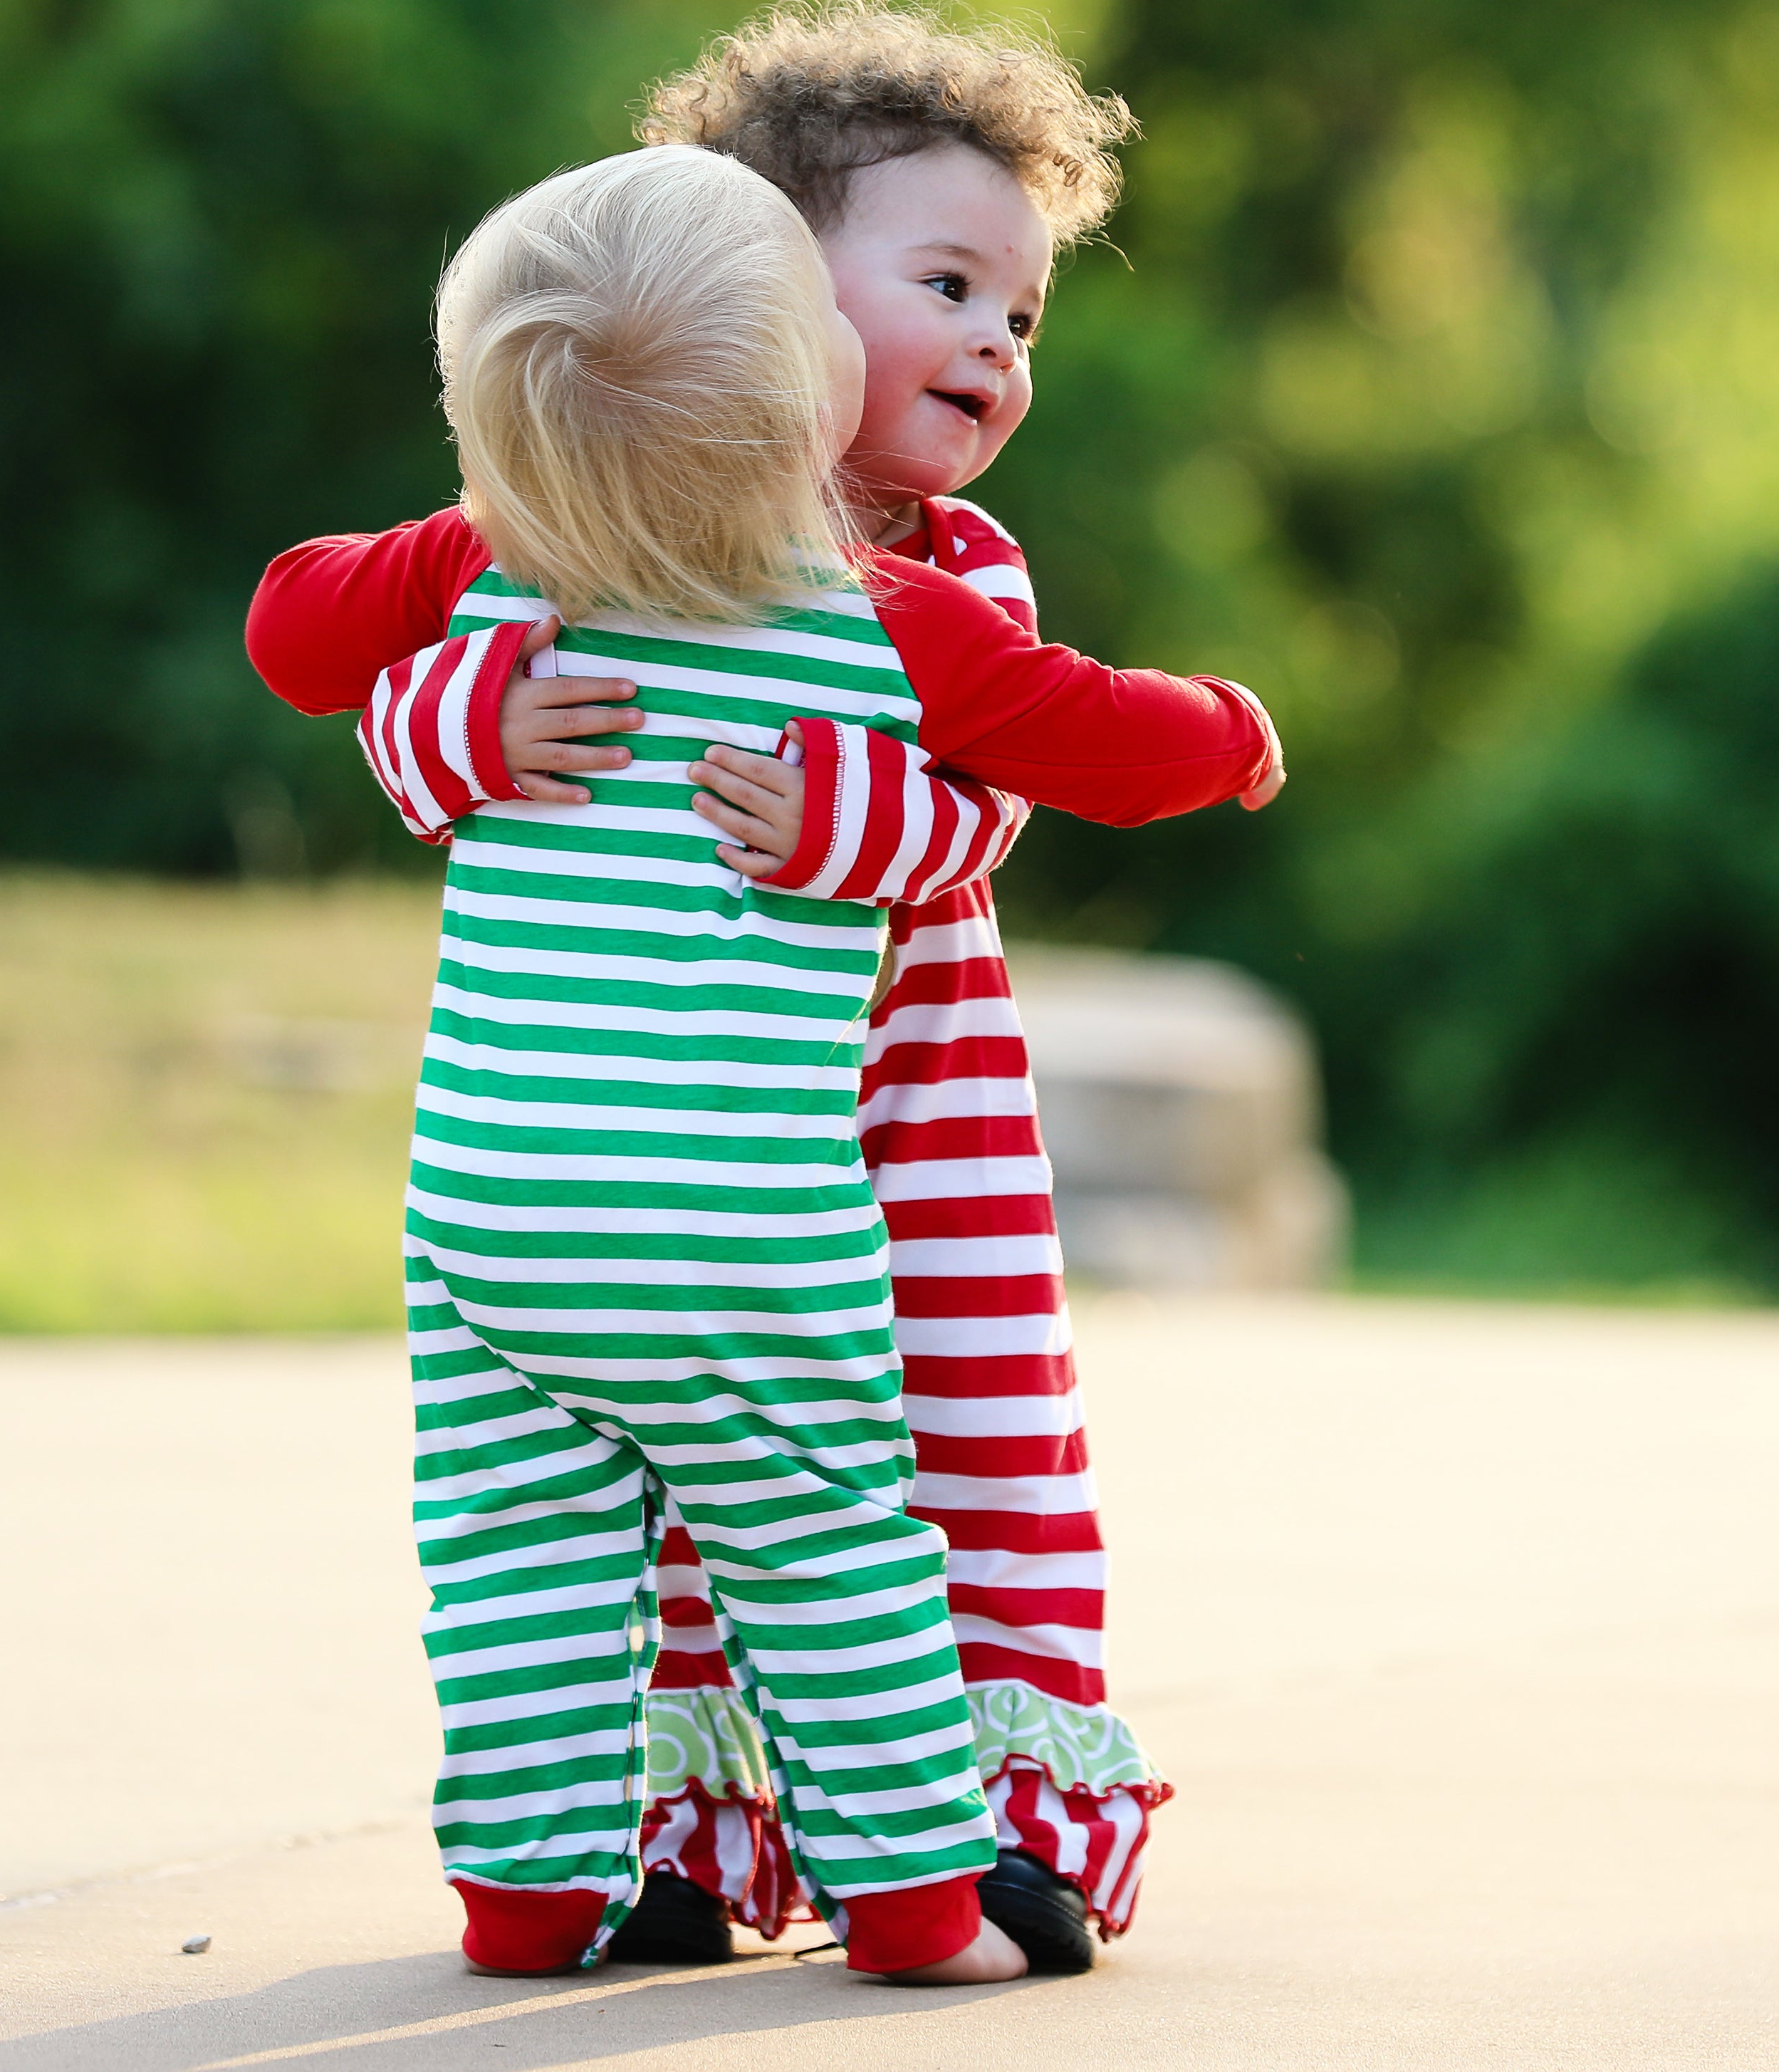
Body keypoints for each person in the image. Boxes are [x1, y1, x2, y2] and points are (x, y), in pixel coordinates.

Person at [247, 2, 1283, 1974]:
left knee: (950, 1455)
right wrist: (487, 708)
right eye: (951, 286)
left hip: (912, 1112)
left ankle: (983, 1824)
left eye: (1025, 315)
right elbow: (365, 683)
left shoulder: (950, 578)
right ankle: (696, 1837)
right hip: (702, 1127)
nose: (998, 342)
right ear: (755, 294)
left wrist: (843, 822)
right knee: (687, 1505)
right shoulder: (557, 519)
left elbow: (1006, 792)